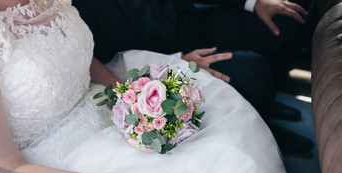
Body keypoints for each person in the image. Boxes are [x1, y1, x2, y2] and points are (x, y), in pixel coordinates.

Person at [0, 0, 306, 173]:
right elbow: (8, 169)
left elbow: (77, 55)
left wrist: (132, 100)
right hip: (56, 163)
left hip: (105, 109)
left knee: (228, 151)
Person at [72, 0, 314, 153]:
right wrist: (177, 61)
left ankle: (269, 104)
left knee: (285, 21)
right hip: (152, 56)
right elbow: (100, 59)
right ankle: (265, 129)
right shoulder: (74, 7)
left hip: (188, 22)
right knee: (253, 71)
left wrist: (253, 3)